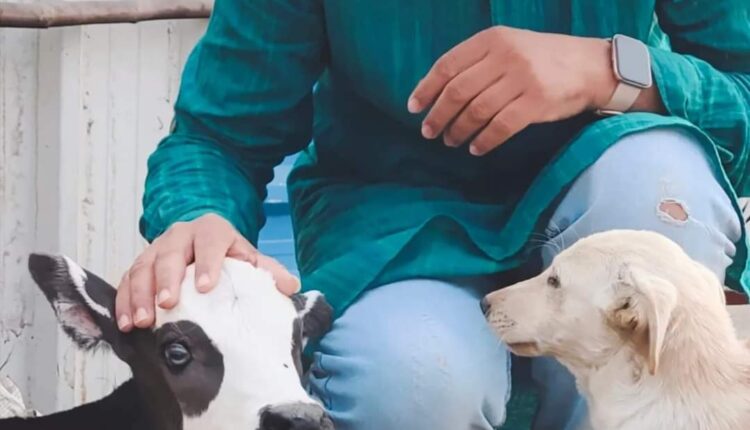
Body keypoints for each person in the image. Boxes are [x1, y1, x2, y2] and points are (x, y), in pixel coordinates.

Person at [114, 1, 750, 429]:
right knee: (411, 385)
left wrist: (609, 69)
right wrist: (199, 217)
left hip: (605, 192)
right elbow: (220, 134)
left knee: (658, 182)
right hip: (396, 226)